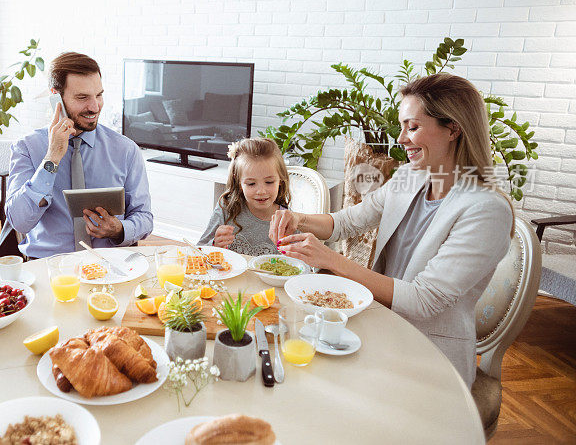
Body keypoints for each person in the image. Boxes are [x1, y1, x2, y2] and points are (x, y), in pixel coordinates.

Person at [271, 73, 514, 387]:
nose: (401, 139)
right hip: (376, 326)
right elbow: (346, 222)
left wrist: (332, 261)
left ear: (452, 128)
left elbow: (424, 301)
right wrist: (297, 219)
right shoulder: (408, 177)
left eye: (412, 127)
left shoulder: (486, 210)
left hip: (428, 355)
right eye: (402, 127)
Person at [4, 52, 153, 259]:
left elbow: (145, 218)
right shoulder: (26, 148)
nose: (94, 107)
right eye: (82, 97)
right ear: (56, 96)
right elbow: (19, 221)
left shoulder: (126, 150)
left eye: (98, 95)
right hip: (47, 266)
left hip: (110, 266)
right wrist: (52, 158)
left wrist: (119, 229)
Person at [197, 137, 291, 256]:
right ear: (239, 183)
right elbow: (198, 251)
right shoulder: (226, 208)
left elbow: (302, 265)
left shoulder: (287, 219)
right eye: (251, 184)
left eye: (269, 182)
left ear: (280, 180)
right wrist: (214, 245)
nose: (261, 191)